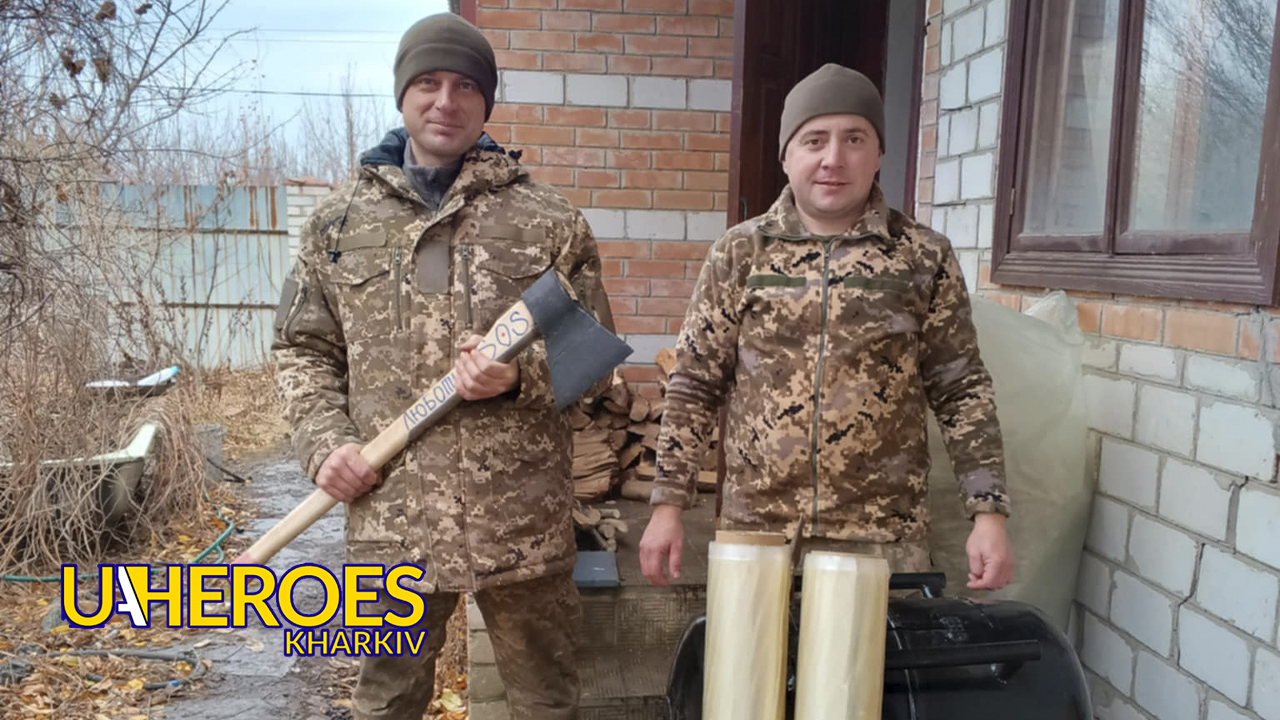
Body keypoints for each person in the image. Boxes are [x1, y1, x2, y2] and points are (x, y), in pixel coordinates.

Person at [271, 13, 613, 720]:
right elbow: (304, 349)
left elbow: (595, 360)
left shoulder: (549, 220)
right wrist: (326, 445)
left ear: (487, 102)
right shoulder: (338, 224)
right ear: (403, 94)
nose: (446, 101)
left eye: (466, 86)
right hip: (392, 523)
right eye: (427, 82)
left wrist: (519, 379)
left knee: (547, 706)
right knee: (385, 705)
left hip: (521, 526)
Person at [638, 63, 1014, 590]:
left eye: (854, 139)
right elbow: (695, 384)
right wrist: (668, 506)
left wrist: (988, 512)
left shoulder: (922, 256)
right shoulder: (741, 252)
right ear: (786, 155)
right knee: (749, 649)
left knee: (874, 650)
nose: (833, 159)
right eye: (814, 140)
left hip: (881, 536)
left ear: (878, 153)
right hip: (758, 532)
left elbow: (961, 389)